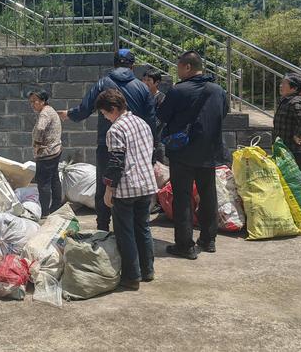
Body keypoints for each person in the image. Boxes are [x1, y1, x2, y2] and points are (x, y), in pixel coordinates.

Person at [58, 49, 156, 231]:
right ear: (132, 66)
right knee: (136, 185)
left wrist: (69, 114)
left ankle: (103, 228)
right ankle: (135, 228)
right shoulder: (142, 88)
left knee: (106, 185)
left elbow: (85, 109)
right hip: (138, 146)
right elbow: (151, 121)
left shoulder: (103, 83)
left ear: (114, 64)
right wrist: (152, 150)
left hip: (108, 145)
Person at [157, 51, 228, 259]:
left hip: (183, 153)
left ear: (187, 67)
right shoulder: (217, 90)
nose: (177, 70)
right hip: (209, 152)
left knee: (182, 198)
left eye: (179, 66)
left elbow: (162, 116)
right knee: (208, 196)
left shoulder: (178, 91)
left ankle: (185, 245)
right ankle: (208, 240)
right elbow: (223, 113)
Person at [96, 89, 158, 290]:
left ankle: (131, 277)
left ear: (113, 109)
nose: (105, 118)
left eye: (105, 114)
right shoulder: (142, 123)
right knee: (143, 227)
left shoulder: (115, 130)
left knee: (125, 233)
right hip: (146, 184)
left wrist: (108, 189)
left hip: (126, 187)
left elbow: (116, 162)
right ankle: (147, 270)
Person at [28, 90, 63, 217]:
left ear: (43, 101)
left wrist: (37, 144)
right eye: (31, 102)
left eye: (35, 101)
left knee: (43, 183)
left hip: (47, 153)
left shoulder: (44, 114)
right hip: (55, 150)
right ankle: (56, 207)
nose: (32, 104)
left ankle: (44, 212)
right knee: (54, 179)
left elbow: (40, 128)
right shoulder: (50, 110)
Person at [273, 73, 301, 175]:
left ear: (294, 88)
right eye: (281, 83)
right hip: (286, 147)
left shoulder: (295, 102)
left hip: (295, 149)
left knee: (298, 177)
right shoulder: (286, 101)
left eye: (284, 84)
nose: (281, 86)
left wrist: (298, 135)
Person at [142, 69, 166, 164]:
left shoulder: (161, 98)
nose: (145, 82)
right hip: (144, 138)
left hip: (157, 138)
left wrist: (146, 129)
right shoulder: (142, 96)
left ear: (157, 82)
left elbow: (159, 119)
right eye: (144, 80)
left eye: (148, 80)